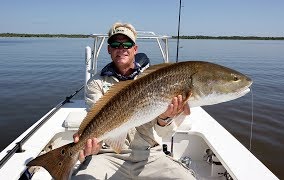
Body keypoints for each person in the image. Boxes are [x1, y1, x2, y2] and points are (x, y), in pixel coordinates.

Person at [72, 22, 196, 179]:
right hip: (108, 156)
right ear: (109, 49)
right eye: (115, 44)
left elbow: (163, 134)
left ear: (135, 49)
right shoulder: (95, 84)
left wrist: (165, 118)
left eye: (127, 44)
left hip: (149, 155)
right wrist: (92, 148)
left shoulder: (158, 79)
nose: (121, 48)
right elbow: (96, 127)